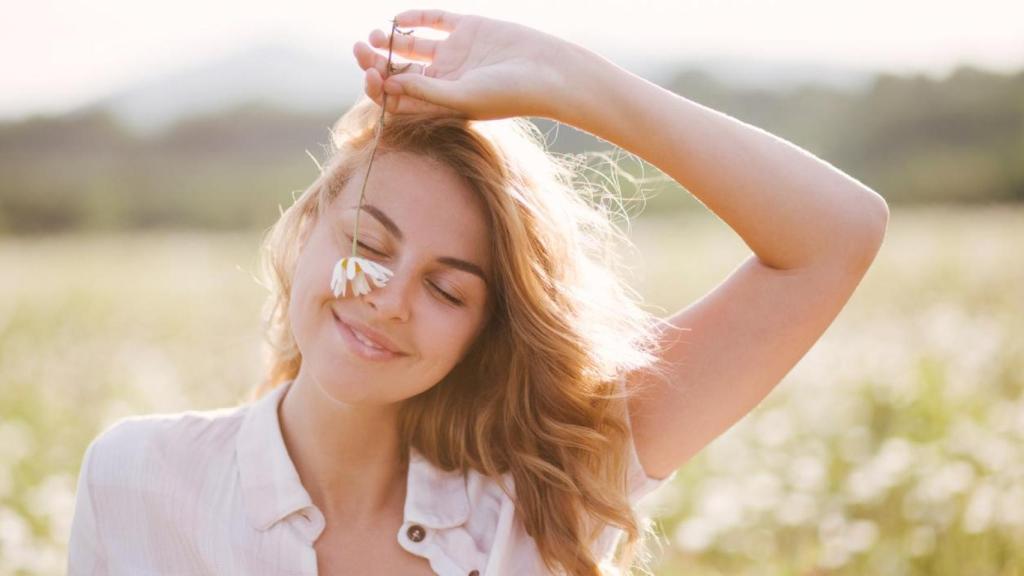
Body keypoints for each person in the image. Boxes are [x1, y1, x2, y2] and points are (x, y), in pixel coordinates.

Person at [67, 8, 889, 576]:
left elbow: (837, 235)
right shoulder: (136, 477)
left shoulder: (549, 486)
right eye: (368, 244)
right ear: (306, 229)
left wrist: (564, 78)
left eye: (448, 290)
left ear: (485, 329)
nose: (388, 298)